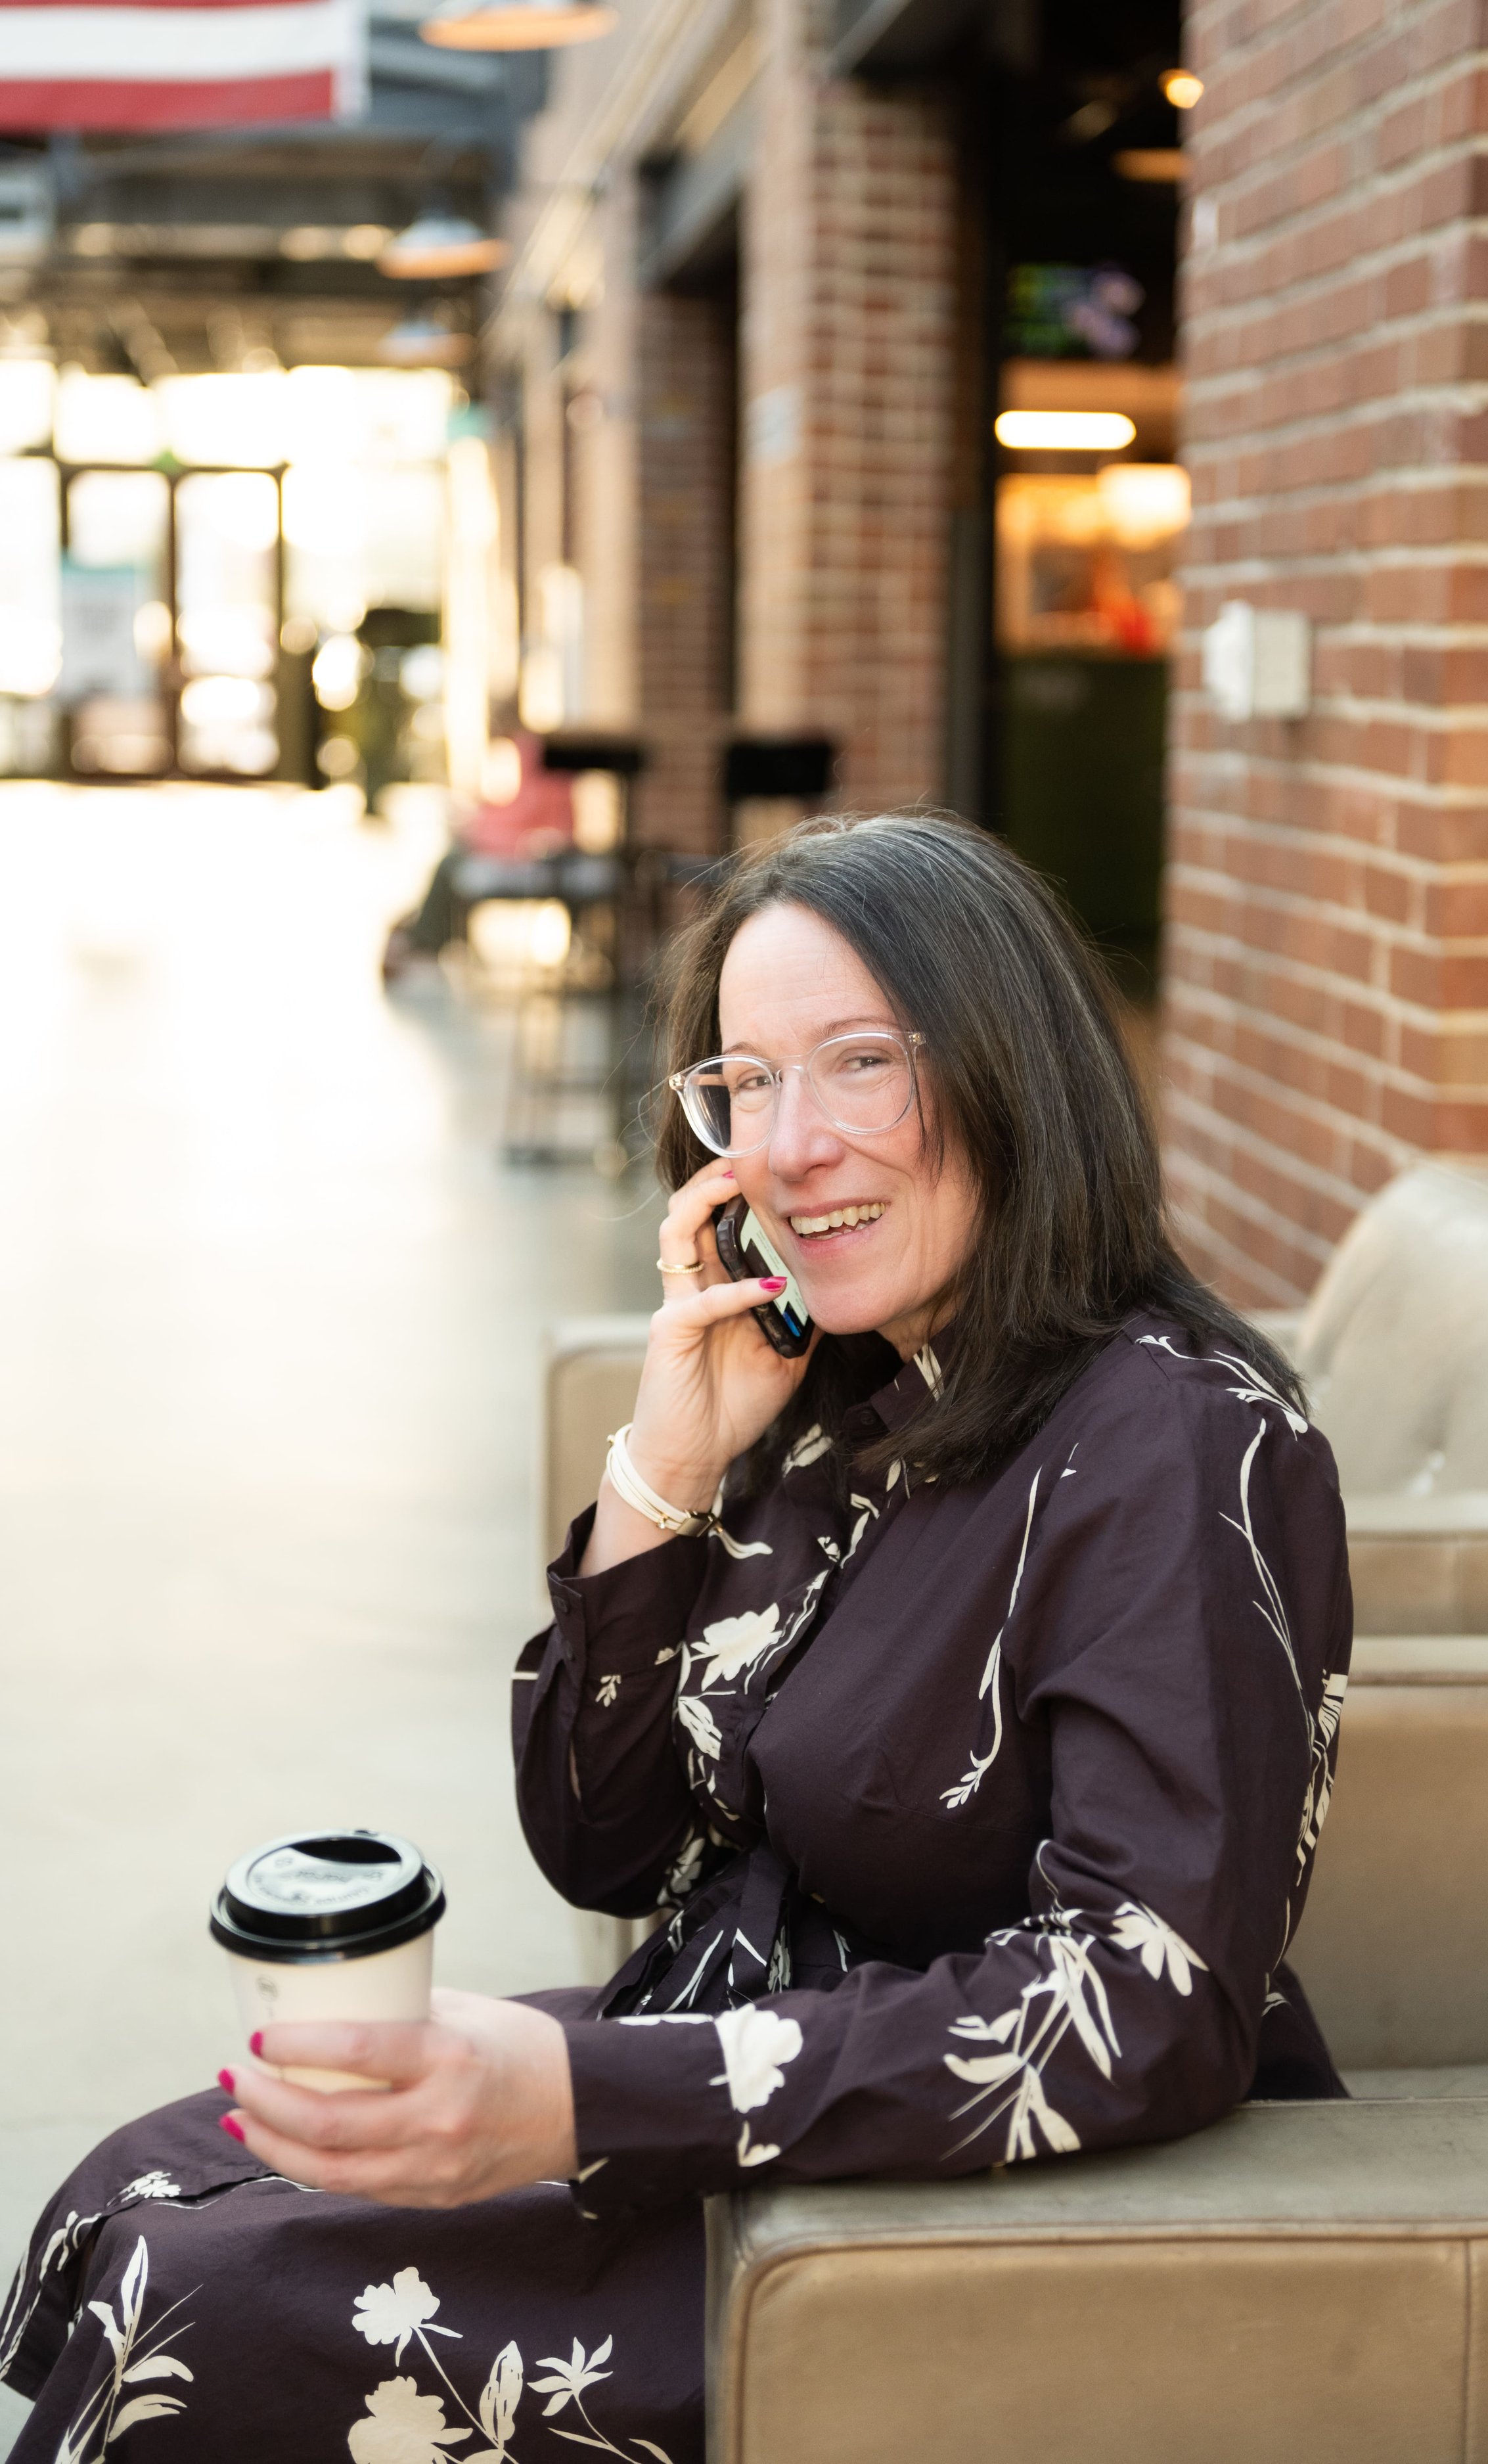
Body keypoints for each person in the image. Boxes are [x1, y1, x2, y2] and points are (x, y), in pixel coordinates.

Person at [1, 813, 1351, 2464]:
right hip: (721, 2066)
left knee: (196, 2303)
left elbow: (1153, 1997)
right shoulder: (843, 1392)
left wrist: (583, 2100)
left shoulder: (1178, 1439)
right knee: (131, 2189)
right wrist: (665, 1472)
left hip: (934, 2210)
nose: (789, 1147)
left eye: (861, 1062)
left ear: (1013, 1067)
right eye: (747, 1082)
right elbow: (604, 1835)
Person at [382, 731, 574, 981]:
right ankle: (419, 935)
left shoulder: (543, 765)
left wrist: (482, 834)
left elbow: (533, 828)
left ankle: (420, 939)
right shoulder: (525, 754)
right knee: (453, 857)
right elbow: (511, 810)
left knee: (451, 863)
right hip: (506, 851)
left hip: (523, 859)